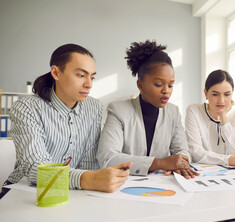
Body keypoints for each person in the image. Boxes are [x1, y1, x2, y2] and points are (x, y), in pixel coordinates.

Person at [2, 44, 131, 197]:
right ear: (56, 73)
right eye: (81, 75)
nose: (89, 84)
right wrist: (88, 179)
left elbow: (88, 162)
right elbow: (36, 169)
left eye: (92, 77)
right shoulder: (27, 108)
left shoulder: (94, 107)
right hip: (23, 192)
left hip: (70, 192)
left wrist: (92, 179)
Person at [97, 40, 199, 179]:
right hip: (124, 186)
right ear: (140, 85)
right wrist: (159, 163)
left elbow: (182, 150)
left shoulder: (173, 112)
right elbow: (107, 158)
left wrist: (182, 164)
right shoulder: (118, 110)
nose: (166, 91)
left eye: (170, 85)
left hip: (163, 187)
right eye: (158, 84)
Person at [185, 70, 235, 168]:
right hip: (201, 171)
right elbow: (195, 153)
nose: (221, 100)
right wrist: (229, 160)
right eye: (215, 94)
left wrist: (224, 117)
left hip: (229, 174)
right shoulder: (194, 110)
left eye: (227, 94)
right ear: (206, 93)